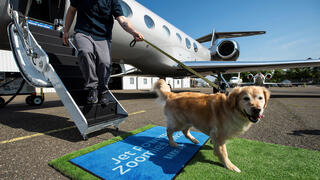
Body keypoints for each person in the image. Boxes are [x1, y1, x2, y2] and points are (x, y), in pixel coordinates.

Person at [62, 0, 144, 104]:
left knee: (105, 63)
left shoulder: (112, 1)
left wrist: (133, 32)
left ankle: (103, 90)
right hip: (83, 32)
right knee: (85, 52)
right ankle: (92, 88)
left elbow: (122, 19)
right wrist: (66, 30)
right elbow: (71, 10)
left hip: (102, 37)